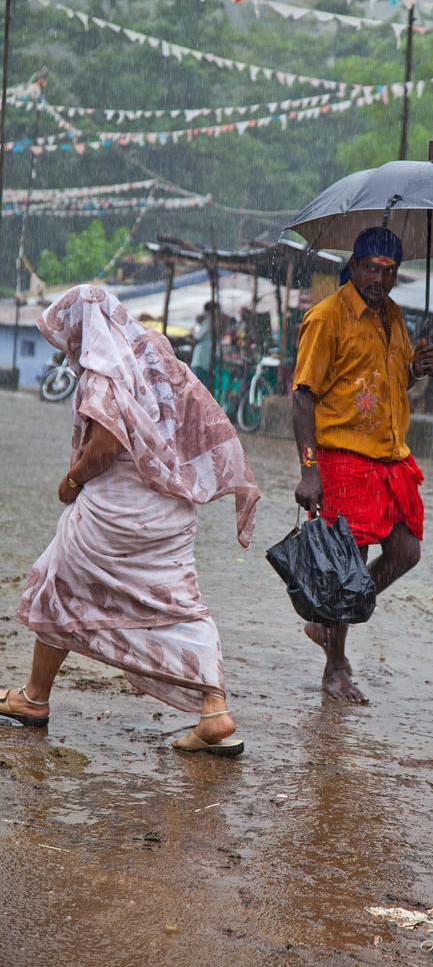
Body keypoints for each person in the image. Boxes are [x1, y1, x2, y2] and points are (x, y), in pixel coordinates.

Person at [0, 284, 260, 757]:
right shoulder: (157, 354)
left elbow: (105, 446)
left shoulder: (104, 372)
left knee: (58, 580)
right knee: (180, 603)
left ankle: (35, 698)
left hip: (116, 515)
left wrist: (71, 481)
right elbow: (198, 422)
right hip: (171, 510)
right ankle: (213, 709)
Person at [292, 227, 433, 703]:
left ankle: (329, 618)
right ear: (354, 266)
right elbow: (302, 396)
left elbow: (394, 381)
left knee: (406, 552)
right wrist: (309, 469)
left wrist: (418, 368)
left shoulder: (393, 316)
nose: (380, 279)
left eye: (390, 271)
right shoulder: (326, 317)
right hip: (342, 458)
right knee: (348, 564)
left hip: (389, 456)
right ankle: (335, 666)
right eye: (372, 269)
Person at [190, 301, 215, 390]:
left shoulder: (209, 320)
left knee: (196, 388)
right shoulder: (209, 320)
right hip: (202, 361)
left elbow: (197, 337)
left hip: (201, 361)